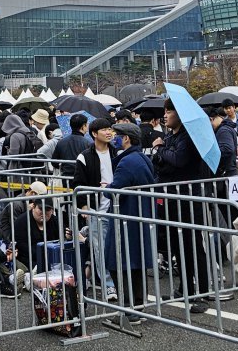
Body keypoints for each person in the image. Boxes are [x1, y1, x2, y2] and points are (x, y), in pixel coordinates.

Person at [151, 101, 213, 313]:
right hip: (171, 197)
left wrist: (160, 148)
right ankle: (184, 288)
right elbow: (159, 163)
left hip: (189, 198)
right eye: (165, 111)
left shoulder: (188, 137)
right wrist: (162, 152)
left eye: (169, 111)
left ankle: (202, 293)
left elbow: (178, 160)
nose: (165, 115)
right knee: (177, 245)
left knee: (193, 245)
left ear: (180, 114)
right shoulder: (170, 136)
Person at [106, 123, 156, 305]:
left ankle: (129, 307)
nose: (114, 138)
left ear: (126, 138)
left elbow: (115, 190)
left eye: (117, 135)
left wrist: (106, 188)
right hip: (139, 214)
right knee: (136, 262)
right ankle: (138, 304)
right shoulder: (141, 157)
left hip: (127, 215)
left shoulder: (127, 162)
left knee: (119, 261)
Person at [73, 118, 118, 302]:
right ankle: (108, 285)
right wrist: (84, 206)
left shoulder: (117, 152)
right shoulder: (85, 156)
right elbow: (78, 183)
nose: (109, 133)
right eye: (104, 130)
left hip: (117, 207)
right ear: (94, 133)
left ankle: (119, 282)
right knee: (100, 249)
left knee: (117, 247)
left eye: (110, 129)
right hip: (96, 209)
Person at [53, 114, 92, 180]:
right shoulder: (88, 143)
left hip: (65, 177)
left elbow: (54, 162)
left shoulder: (61, 142)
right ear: (83, 126)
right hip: (82, 178)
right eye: (87, 124)